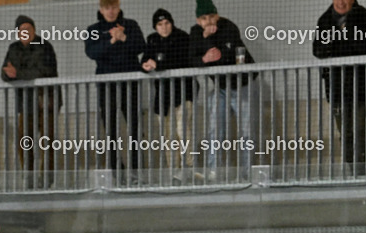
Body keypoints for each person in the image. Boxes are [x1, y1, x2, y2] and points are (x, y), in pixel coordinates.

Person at [189, 0, 258, 178]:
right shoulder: (195, 33)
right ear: (198, 21)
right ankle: (214, 170)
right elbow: (191, 59)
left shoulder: (228, 27)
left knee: (247, 132)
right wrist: (204, 56)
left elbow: (225, 55)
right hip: (220, 88)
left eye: (212, 16)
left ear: (217, 16)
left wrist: (208, 42)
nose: (209, 21)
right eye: (204, 18)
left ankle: (247, 172)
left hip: (242, 85)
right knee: (214, 129)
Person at [85, 0, 147, 178]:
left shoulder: (131, 25)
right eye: (107, 8)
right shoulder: (94, 30)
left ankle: (137, 169)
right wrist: (112, 40)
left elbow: (141, 46)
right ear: (101, 10)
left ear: (119, 7)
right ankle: (116, 170)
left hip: (131, 84)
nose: (110, 11)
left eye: (113, 7)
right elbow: (92, 52)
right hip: (107, 86)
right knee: (110, 130)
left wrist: (124, 37)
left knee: (135, 127)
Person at [313, 0, 366, 168]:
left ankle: (363, 169)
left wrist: (342, 36)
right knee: (345, 130)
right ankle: (351, 168)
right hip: (335, 85)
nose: (341, 2)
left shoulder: (365, 16)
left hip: (361, 83)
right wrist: (337, 39)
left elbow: (365, 45)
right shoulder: (325, 19)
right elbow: (318, 50)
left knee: (359, 128)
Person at [1, 15, 59, 187]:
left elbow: (44, 72)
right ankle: (30, 177)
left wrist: (18, 74)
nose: (25, 32)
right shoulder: (13, 48)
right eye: (22, 30)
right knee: (24, 141)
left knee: (47, 141)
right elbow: (5, 72)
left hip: (46, 102)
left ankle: (47, 180)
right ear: (17, 32)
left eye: (28, 29)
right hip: (25, 104)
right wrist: (11, 74)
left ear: (34, 30)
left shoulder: (44, 46)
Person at [142, 8, 196, 182]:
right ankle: (174, 170)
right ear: (155, 27)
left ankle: (190, 167)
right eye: (160, 24)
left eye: (167, 23)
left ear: (172, 23)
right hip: (163, 97)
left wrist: (157, 64)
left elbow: (180, 60)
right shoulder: (152, 40)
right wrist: (146, 65)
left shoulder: (182, 37)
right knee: (168, 135)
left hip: (183, 93)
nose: (164, 27)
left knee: (183, 131)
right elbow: (145, 59)